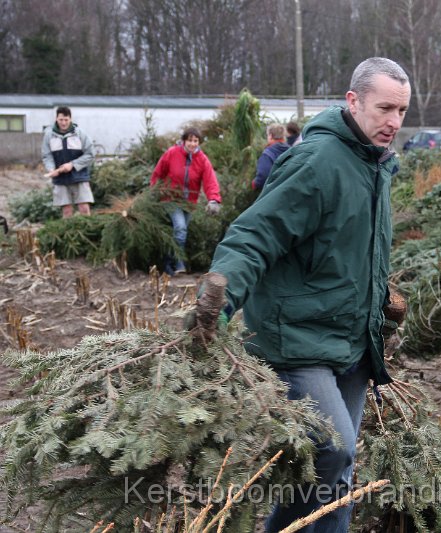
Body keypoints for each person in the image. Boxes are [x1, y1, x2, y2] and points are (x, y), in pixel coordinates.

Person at [191, 57, 410, 533]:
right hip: (299, 337)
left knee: (336, 469)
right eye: (385, 108)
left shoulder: (376, 165)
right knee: (337, 450)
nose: (394, 122)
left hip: (351, 340)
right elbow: (255, 234)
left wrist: (380, 303)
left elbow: (349, 246)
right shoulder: (317, 162)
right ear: (353, 102)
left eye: (403, 111)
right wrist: (220, 301)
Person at [150, 127, 222, 275]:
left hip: (189, 202)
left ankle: (168, 264)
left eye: (195, 141)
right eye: (190, 140)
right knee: (181, 228)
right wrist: (154, 191)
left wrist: (213, 200)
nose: (192, 144)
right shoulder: (172, 153)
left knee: (180, 233)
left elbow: (210, 181)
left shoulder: (202, 159)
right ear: (184, 141)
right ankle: (179, 264)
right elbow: (158, 173)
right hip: (171, 199)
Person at [41, 106, 96, 218]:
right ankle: (69, 234)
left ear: (70, 119)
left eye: (66, 120)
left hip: (79, 176)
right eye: (61, 120)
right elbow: (47, 156)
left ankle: (88, 233)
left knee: (84, 209)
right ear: (56, 119)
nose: (64, 123)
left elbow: (90, 154)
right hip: (60, 179)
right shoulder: (49, 135)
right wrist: (51, 169)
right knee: (66, 212)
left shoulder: (80, 134)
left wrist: (73, 165)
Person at [252, 123, 291, 190]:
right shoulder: (291, 150)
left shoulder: (268, 154)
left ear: (270, 135)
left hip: (274, 192)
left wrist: (255, 183)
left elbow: (263, 176)